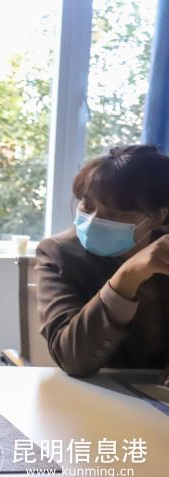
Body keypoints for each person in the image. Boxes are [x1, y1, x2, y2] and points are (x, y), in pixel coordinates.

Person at [36, 144, 169, 377]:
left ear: (158, 217)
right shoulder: (59, 253)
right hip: (99, 392)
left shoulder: (164, 250)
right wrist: (127, 277)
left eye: (115, 214)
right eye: (87, 206)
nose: (93, 220)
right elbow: (71, 358)